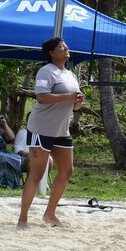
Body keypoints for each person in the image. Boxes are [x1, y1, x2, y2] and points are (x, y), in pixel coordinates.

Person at [18, 37, 84, 229]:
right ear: (51, 53)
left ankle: (50, 214)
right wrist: (69, 97)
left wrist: (78, 102)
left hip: (61, 130)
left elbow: (74, 103)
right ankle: (23, 218)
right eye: (61, 47)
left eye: (66, 46)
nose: (66, 49)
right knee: (37, 174)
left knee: (67, 170)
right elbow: (42, 97)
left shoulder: (71, 75)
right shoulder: (46, 71)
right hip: (41, 128)